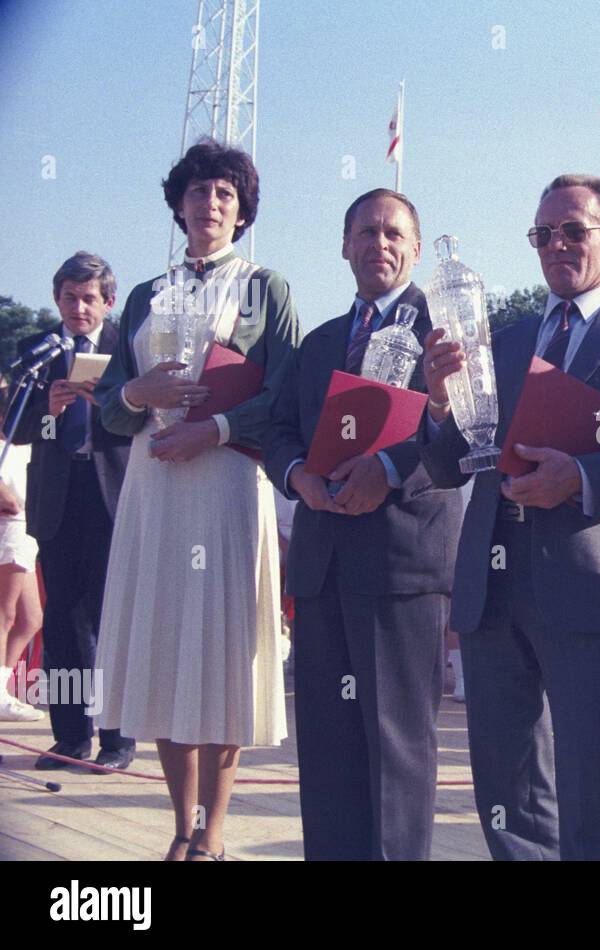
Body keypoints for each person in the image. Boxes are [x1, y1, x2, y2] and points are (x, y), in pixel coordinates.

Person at [420, 173, 600, 860]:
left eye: (574, 230)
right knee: (507, 794)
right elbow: (449, 462)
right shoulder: (502, 339)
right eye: (543, 234)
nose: (557, 244)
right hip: (494, 587)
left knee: (596, 787)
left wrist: (577, 477)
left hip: (589, 583)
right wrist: (436, 402)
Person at [93, 140, 300, 861]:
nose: (209, 203)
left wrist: (212, 429)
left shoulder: (264, 288)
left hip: (225, 483)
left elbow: (284, 396)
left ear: (241, 210)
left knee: (221, 656)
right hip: (155, 487)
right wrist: (132, 392)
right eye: (198, 191)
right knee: (163, 649)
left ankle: (215, 829)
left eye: (224, 194)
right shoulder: (146, 295)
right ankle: (179, 826)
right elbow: (109, 410)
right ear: (178, 204)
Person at [264, 188, 463, 861]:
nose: (379, 244)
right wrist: (298, 477)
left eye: (393, 233)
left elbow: (466, 432)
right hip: (322, 567)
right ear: (344, 245)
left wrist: (388, 466)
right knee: (326, 747)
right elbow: (279, 429)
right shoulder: (317, 342)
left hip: (400, 567)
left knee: (395, 747)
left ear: (414, 246)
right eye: (366, 232)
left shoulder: (447, 329)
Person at [5, 253, 133, 765]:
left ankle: (118, 739)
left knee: (112, 619)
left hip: (113, 495)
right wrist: (48, 410)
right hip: (59, 497)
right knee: (62, 622)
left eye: (89, 298)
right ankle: (71, 736)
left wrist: (113, 403)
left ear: (108, 302)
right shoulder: (37, 351)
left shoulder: (128, 350)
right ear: (56, 299)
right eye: (69, 298)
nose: (79, 308)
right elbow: (14, 427)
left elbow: (148, 419)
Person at [0, 379, 43, 722]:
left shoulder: (27, 435)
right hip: (9, 527)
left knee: (31, 618)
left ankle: (3, 687)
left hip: (29, 528)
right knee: (5, 614)